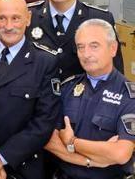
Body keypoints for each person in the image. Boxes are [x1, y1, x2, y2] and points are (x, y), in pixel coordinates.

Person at [0, 0, 60, 179]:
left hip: (23, 167)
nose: (9, 26)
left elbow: (44, 122)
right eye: (2, 18)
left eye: (16, 18)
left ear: (28, 19)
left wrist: (1, 158)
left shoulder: (45, 61)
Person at [44, 18, 135, 179]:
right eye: (81, 47)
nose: (86, 54)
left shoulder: (129, 95)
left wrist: (72, 142)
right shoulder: (67, 88)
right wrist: (89, 161)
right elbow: (49, 141)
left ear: (113, 49)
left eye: (94, 46)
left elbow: (120, 153)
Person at [28, 0, 124, 79]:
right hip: (40, 96)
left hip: (84, 96)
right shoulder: (28, 16)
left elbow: (116, 74)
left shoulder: (99, 18)